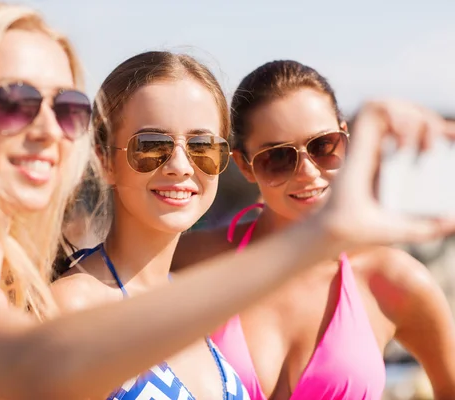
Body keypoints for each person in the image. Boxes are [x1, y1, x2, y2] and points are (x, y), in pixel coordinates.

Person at [0, 2, 453, 398]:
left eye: (64, 109)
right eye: (11, 102)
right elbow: (34, 365)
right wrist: (314, 239)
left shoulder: (18, 290)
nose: (44, 128)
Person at [173, 60, 455, 400]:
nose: (307, 170)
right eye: (278, 156)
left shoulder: (395, 280)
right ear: (245, 166)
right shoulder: (191, 261)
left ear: (347, 139)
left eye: (324, 145)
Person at [51, 51, 249, 399]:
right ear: (104, 158)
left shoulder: (192, 305)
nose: (180, 166)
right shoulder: (75, 310)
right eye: (152, 145)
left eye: (202, 146)